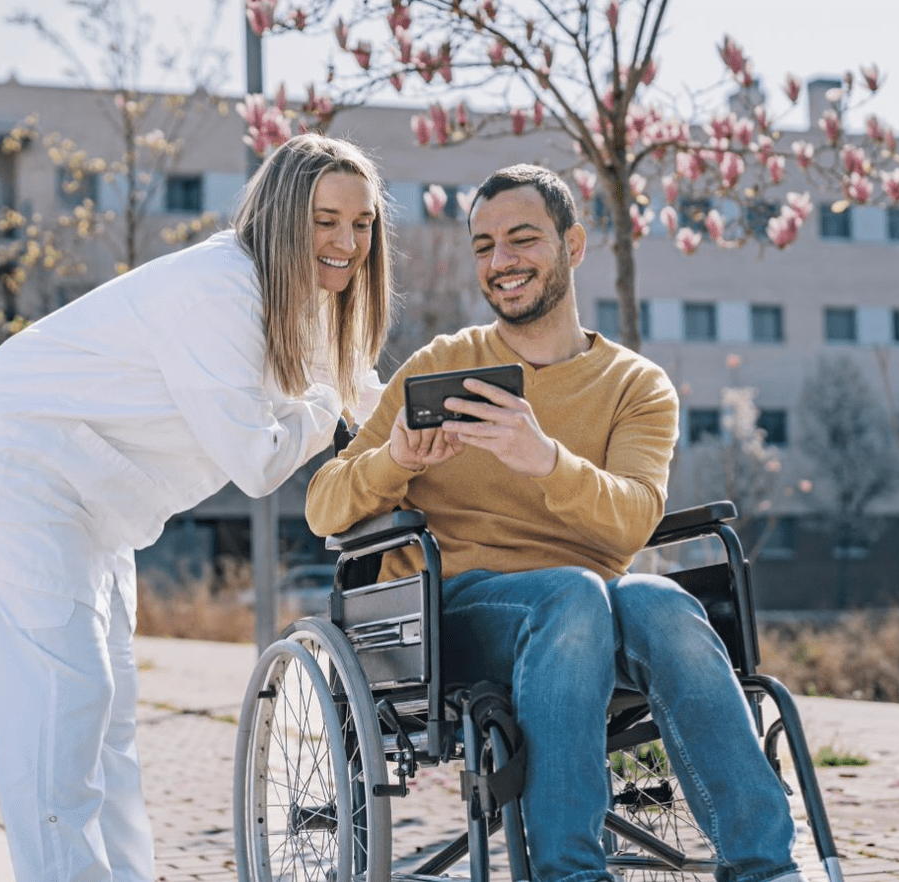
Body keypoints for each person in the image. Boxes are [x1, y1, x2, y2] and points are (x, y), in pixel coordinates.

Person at [306, 164, 802, 882]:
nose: (499, 261)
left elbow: (633, 520)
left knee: (660, 599)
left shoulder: (635, 387)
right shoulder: (442, 363)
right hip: (455, 617)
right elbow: (324, 505)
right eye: (483, 246)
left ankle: (764, 869)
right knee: (571, 595)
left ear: (572, 245)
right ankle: (567, 872)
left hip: (589, 613)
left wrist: (542, 459)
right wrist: (394, 460)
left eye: (520, 239)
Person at [0, 132, 394, 882]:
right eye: (324, 219)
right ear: (278, 216)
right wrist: (329, 404)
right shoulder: (220, 290)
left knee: (109, 718)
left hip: (90, 503)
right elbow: (258, 462)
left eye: (361, 222)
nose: (346, 242)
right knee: (65, 702)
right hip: (15, 473)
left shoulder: (297, 304)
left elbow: (368, 399)